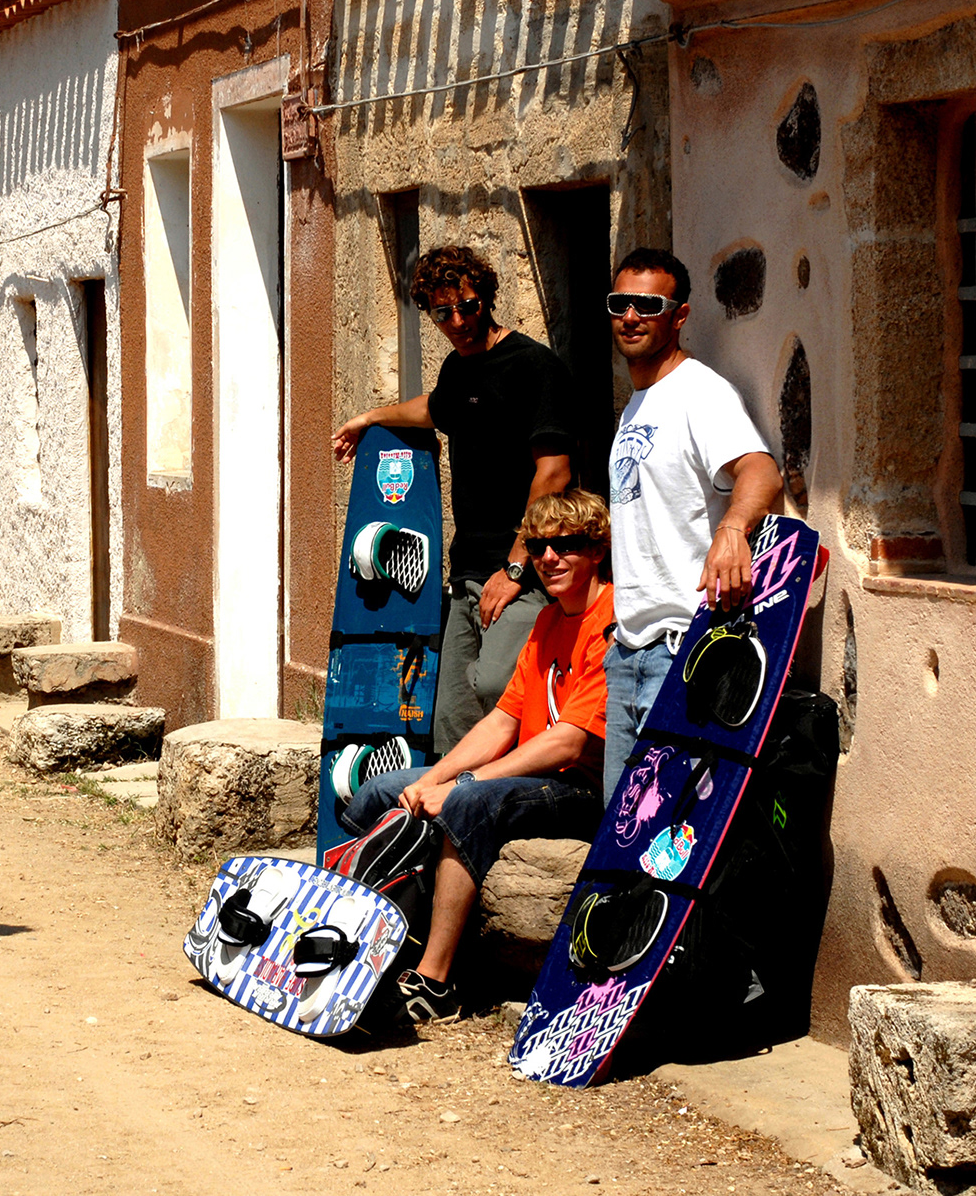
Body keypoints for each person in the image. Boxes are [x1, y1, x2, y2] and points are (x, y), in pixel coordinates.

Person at [340, 490, 616, 1023]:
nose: (549, 559)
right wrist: (439, 776)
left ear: (598, 549)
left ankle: (437, 981)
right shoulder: (548, 622)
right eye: (538, 548)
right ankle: (356, 937)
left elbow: (572, 741)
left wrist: (462, 784)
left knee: (466, 804)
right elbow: (502, 721)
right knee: (383, 788)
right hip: (530, 776)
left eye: (566, 546)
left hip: (580, 790)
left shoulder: (612, 622)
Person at [331, 246, 576, 755]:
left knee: (496, 689)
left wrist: (513, 569)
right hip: (466, 575)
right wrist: (372, 416)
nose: (459, 321)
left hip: (528, 573)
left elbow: (554, 472)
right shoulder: (457, 369)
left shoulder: (534, 366)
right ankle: (459, 828)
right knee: (450, 721)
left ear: (485, 299)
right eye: (443, 313)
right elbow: (437, 408)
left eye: (468, 306)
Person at [602, 248, 782, 798]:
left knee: (669, 838)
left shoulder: (699, 393)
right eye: (620, 303)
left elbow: (760, 471)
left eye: (648, 305)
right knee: (621, 832)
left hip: (682, 650)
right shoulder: (639, 402)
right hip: (629, 651)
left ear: (678, 316)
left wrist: (732, 531)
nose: (631, 316)